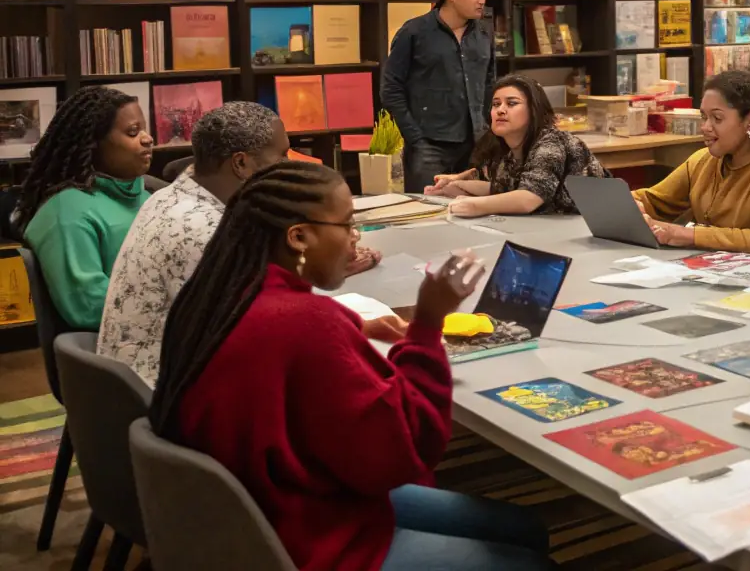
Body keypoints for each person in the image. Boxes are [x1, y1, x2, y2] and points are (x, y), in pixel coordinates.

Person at [148, 162, 556, 571]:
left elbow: (275, 343)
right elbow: (403, 452)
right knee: (527, 559)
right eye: (346, 226)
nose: (353, 240)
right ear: (300, 237)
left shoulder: (215, 297)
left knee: (523, 528)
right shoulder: (307, 323)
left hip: (246, 518)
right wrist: (428, 327)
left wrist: (353, 327)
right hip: (308, 541)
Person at [98, 102, 290, 385]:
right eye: (281, 156)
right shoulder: (202, 229)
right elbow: (254, 333)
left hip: (137, 385)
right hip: (164, 394)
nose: (289, 166)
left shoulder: (168, 197)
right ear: (241, 164)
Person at [633, 70, 750, 256]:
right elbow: (653, 201)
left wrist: (688, 235)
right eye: (704, 117)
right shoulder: (703, 160)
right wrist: (634, 204)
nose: (705, 127)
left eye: (717, 118)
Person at [17, 86, 153, 330]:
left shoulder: (146, 195)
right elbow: (89, 306)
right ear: (93, 144)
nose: (147, 138)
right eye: (133, 132)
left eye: (144, 129)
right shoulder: (66, 212)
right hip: (115, 346)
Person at [381, 0, 495, 192]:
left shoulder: (483, 33)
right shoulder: (414, 32)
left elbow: (490, 83)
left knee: (472, 211)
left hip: (476, 142)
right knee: (426, 213)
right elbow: (391, 88)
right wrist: (414, 136)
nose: (481, 0)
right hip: (428, 144)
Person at [425, 75, 607, 216]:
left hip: (593, 228)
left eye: (512, 103)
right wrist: (453, 184)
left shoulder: (552, 142)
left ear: (533, 109)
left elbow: (528, 198)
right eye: (496, 104)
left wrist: (474, 206)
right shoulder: (503, 146)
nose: (500, 110)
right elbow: (497, 187)